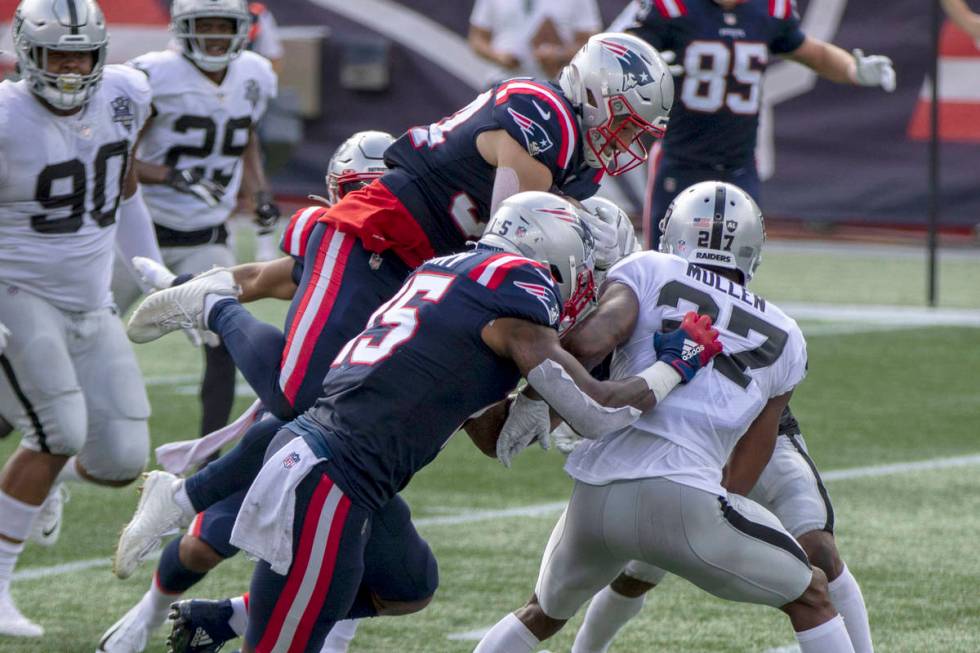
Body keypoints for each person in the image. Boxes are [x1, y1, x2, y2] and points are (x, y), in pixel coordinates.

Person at [111, 30, 675, 587]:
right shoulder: (544, 113)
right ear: (593, 93)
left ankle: (183, 496)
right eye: (624, 122)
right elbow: (512, 245)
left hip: (423, 271)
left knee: (325, 417)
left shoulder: (579, 160)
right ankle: (215, 305)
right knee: (301, 395)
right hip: (374, 238)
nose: (627, 141)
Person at [191, 191, 723, 653]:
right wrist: (671, 367)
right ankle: (256, 614)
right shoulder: (519, 292)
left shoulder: (449, 274)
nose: (582, 282)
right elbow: (600, 411)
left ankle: (244, 610)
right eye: (583, 265)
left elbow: (482, 423)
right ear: (552, 251)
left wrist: (531, 400)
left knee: (408, 583)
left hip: (345, 472)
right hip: (333, 477)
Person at [475, 183, 858, 653]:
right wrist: (701, 526)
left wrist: (535, 399)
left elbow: (584, 346)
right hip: (686, 498)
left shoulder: (647, 267)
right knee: (813, 596)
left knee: (539, 614)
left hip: (595, 496)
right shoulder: (786, 333)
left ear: (673, 232)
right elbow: (750, 458)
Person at [96, 131, 393, 653]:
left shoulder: (425, 258)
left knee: (388, 573)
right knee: (207, 545)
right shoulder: (330, 245)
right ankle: (150, 612)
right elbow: (255, 275)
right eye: (358, 189)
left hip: (364, 437)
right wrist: (178, 284)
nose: (368, 203)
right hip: (299, 423)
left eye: (379, 189)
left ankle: (225, 608)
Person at [0, 0, 163, 637]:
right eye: (57, 54)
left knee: (123, 457)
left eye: (82, 54)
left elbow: (122, 186)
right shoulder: (7, 117)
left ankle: (38, 483)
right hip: (16, 288)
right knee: (59, 431)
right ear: (27, 54)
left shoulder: (126, 93)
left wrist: (147, 262)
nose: (70, 67)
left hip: (88, 298)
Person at [110, 0, 280, 444]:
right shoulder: (152, 74)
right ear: (183, 27)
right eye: (204, 26)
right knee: (87, 330)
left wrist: (258, 191)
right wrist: (169, 174)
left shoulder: (255, 73)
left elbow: (246, 138)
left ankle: (206, 457)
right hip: (137, 230)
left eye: (223, 26)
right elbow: (115, 154)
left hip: (205, 232)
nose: (214, 36)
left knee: (223, 339)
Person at [627, 0, 897, 248]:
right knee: (661, 261)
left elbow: (813, 53)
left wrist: (852, 69)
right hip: (681, 161)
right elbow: (626, 54)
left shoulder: (768, 10)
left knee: (734, 269)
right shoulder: (674, 8)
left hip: (738, 164)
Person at [468, 0, 602, 79]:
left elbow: (592, 43)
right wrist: (498, 57)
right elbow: (477, 38)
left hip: (552, 90)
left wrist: (559, 55)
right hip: (500, 82)